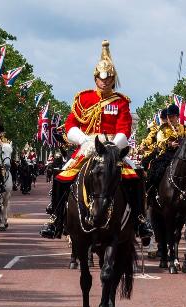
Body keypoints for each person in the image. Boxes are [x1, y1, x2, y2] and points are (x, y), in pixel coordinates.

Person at [42, 40, 150, 240]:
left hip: (113, 146)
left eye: (108, 79)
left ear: (113, 79)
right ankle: (56, 219)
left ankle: (140, 220)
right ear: (95, 78)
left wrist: (114, 147)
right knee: (62, 175)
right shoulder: (83, 98)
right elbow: (70, 124)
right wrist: (84, 140)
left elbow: (124, 127)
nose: (104, 82)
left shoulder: (121, 101)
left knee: (135, 175)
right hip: (88, 145)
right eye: (101, 79)